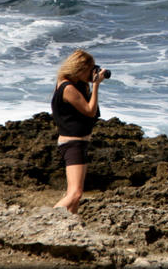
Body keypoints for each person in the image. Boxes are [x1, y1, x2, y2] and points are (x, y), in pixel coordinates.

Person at [51, 49, 106, 213]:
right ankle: (47, 220)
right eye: (89, 70)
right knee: (75, 193)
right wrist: (96, 86)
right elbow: (90, 111)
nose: (91, 74)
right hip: (73, 144)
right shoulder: (68, 88)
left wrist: (89, 83)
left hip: (76, 143)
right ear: (79, 69)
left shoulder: (73, 84)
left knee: (73, 195)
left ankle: (69, 227)